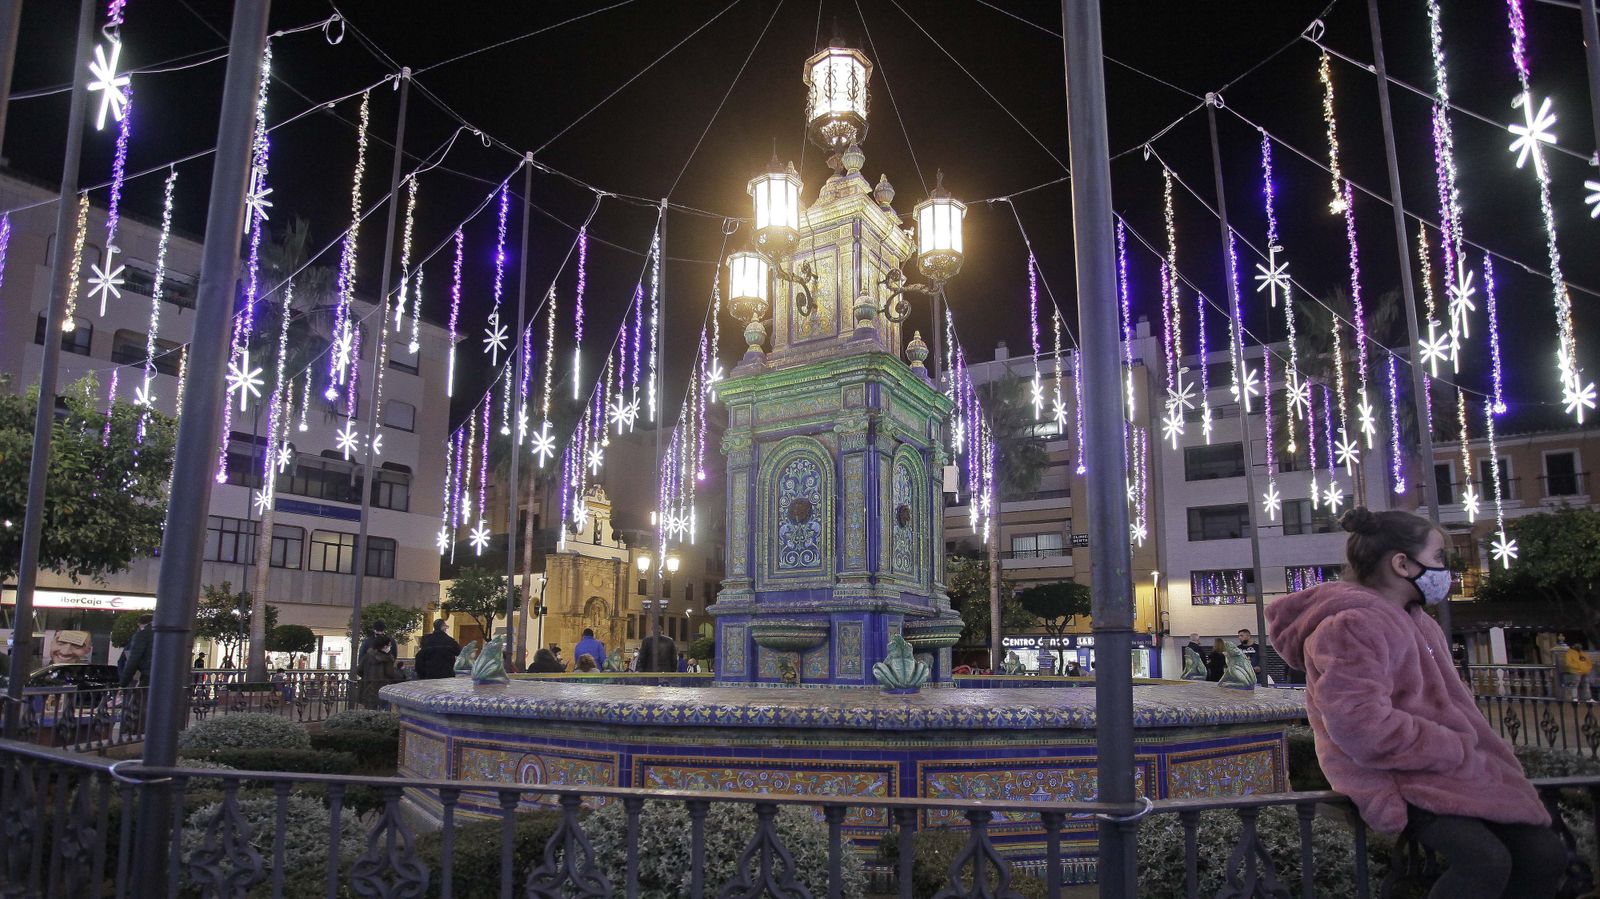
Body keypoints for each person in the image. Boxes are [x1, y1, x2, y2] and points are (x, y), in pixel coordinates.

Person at [1267, 507, 1563, 899]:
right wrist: (1449, 745)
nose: (1445, 571)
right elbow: (1358, 723)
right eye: (1438, 558)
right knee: (1484, 862)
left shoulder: (1418, 620)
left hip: (1455, 769)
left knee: (1543, 856)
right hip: (1404, 776)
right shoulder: (1353, 624)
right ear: (1402, 564)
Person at [357, 636, 401, 709]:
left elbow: (359, 671)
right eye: (389, 645)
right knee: (383, 712)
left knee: (369, 712)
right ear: (384, 646)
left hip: (367, 689)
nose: (390, 647)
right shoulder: (387, 659)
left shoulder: (367, 656)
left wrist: (367, 677)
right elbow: (390, 673)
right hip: (382, 689)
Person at [120, 615, 153, 688]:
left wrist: (123, 684)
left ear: (139, 624)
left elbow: (133, 661)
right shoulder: (165, 634)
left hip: (148, 679)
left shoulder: (143, 635)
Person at [1563, 637, 1594, 702]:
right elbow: (1568, 663)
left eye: (1580, 644)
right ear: (1573, 646)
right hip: (1576, 672)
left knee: (1586, 685)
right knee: (1575, 685)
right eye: (1577, 644)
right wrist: (1579, 667)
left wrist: (1588, 668)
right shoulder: (1569, 653)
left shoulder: (1582, 652)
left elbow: (1589, 661)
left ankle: (1588, 698)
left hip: (1585, 672)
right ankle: (1575, 698)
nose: (1579, 646)